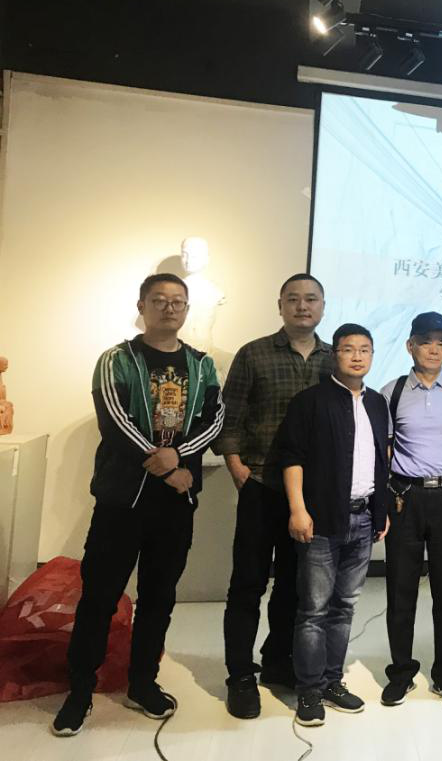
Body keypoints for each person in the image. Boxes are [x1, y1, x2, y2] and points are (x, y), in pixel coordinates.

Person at [52, 273, 224, 737]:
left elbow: (214, 420)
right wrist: (168, 467)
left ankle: (142, 682)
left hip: (175, 506)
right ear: (141, 306)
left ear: (187, 309)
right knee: (99, 597)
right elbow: (115, 421)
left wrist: (181, 455)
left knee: (158, 598)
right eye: (159, 300)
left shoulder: (201, 365)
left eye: (178, 301)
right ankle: (80, 690)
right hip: (121, 501)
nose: (169, 308)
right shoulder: (116, 360)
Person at [217, 273, 332, 719]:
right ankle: (240, 676)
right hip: (261, 485)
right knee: (247, 584)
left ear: (322, 306)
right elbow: (229, 415)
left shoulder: (334, 358)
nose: (303, 306)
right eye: (294, 299)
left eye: (311, 299)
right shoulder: (254, 353)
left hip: (310, 494)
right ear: (280, 305)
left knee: (294, 585)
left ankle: (278, 661)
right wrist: (236, 467)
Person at [273, 323, 390, 727]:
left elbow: (380, 459)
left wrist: (381, 510)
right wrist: (297, 509)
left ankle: (331, 681)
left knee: (345, 607)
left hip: (363, 517)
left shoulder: (377, 403)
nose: (357, 356)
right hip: (321, 519)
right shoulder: (310, 401)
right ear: (334, 355)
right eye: (348, 349)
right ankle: (308, 690)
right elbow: (292, 457)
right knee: (313, 610)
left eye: (364, 349)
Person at [378, 312, 442, 709]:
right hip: (406, 496)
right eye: (426, 341)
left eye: (441, 342)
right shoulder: (392, 391)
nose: (434, 349)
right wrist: (410, 474)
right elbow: (385, 444)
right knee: (401, 589)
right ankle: (401, 673)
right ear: (410, 346)